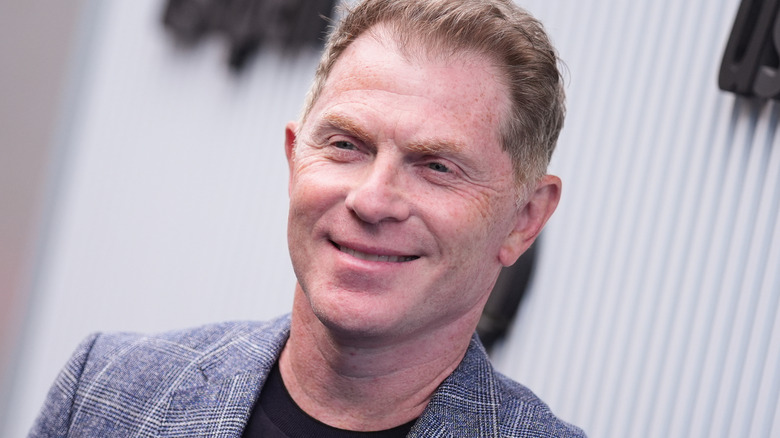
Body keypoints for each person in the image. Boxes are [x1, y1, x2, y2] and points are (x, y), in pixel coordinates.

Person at [29, 0, 586, 436]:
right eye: (347, 145)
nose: (371, 200)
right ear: (295, 157)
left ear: (524, 219)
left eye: (437, 165)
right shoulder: (105, 389)